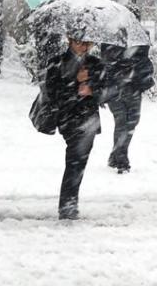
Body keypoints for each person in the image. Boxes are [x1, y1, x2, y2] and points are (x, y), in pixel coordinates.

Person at [43, 25, 104, 220]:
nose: (84, 47)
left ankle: (69, 204)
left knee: (78, 163)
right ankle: (68, 206)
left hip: (89, 120)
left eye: (87, 43)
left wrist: (91, 88)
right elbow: (53, 93)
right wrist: (76, 82)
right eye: (79, 42)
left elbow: (107, 91)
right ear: (70, 41)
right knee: (75, 162)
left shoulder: (96, 64)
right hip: (68, 119)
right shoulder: (57, 63)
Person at [101, 44, 155, 174]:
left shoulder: (139, 43)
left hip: (133, 88)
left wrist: (137, 70)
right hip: (115, 89)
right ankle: (121, 160)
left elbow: (146, 63)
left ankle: (115, 156)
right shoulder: (111, 42)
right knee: (122, 122)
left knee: (131, 122)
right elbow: (105, 65)